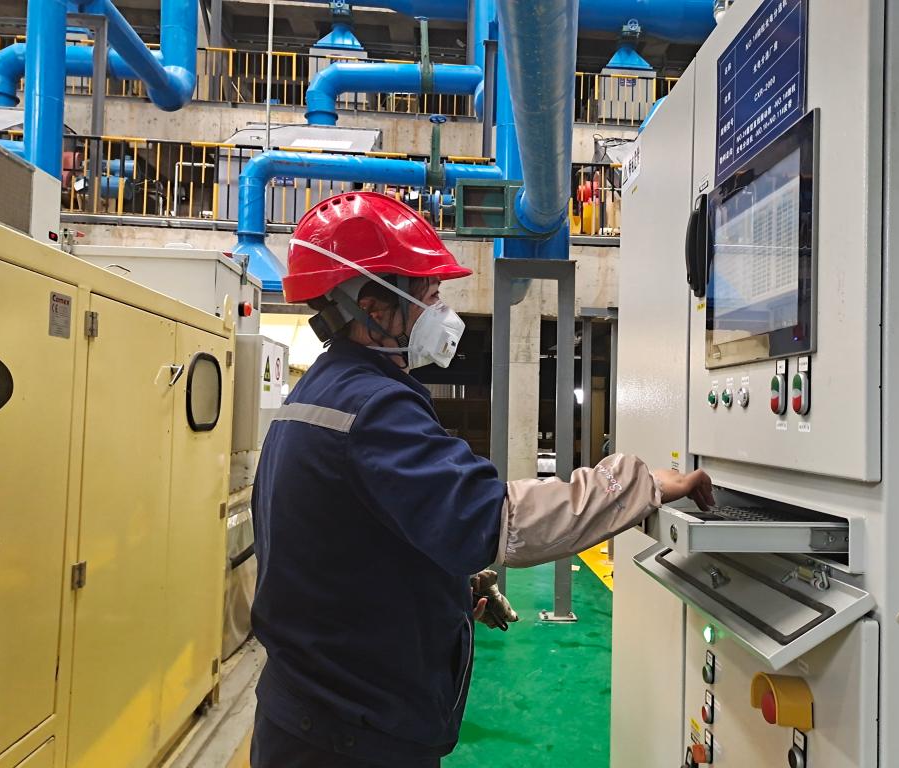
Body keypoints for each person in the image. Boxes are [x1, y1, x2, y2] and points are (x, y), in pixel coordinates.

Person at [250, 191, 715, 768]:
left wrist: (449, 587)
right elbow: (498, 519)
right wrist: (639, 484)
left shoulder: (321, 392)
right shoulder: (374, 408)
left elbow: (349, 542)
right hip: (351, 737)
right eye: (429, 297)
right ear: (374, 308)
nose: (442, 313)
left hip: (310, 714)